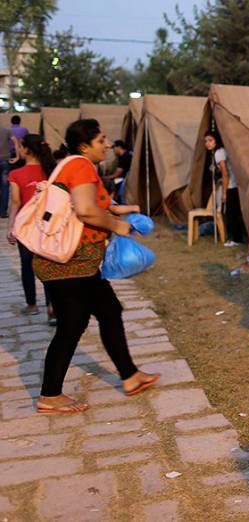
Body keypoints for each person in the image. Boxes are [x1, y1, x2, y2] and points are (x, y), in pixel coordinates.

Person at [33, 119, 160, 414]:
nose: (107, 145)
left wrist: (120, 210)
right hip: (70, 263)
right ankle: (50, 395)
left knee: (107, 311)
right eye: (101, 140)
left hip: (76, 263)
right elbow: (87, 210)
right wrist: (119, 226)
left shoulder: (73, 165)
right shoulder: (80, 166)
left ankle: (130, 375)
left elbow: (93, 202)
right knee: (73, 324)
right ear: (84, 145)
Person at [6, 134, 55, 321]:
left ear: (26, 150)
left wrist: (10, 227)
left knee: (27, 266)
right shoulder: (51, 171)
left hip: (25, 228)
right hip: (47, 225)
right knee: (49, 266)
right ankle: (52, 306)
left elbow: (15, 203)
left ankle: (32, 305)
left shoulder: (16, 174)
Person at [204, 130, 245, 246]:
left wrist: (224, 193)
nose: (208, 143)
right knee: (233, 212)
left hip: (231, 186)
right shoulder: (221, 152)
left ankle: (236, 239)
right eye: (206, 141)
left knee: (232, 213)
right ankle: (237, 238)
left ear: (216, 140)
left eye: (210, 140)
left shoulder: (219, 153)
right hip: (233, 184)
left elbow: (225, 173)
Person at [0, 123, 21, 218]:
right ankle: (3, 212)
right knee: (5, 187)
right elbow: (15, 141)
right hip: (5, 160)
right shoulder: (7, 131)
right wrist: (17, 156)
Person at [102, 140, 132, 204]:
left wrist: (106, 177)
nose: (113, 150)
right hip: (126, 178)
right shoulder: (126, 155)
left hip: (124, 179)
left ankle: (110, 202)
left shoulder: (124, 157)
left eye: (114, 148)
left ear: (119, 147)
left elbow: (117, 174)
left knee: (111, 183)